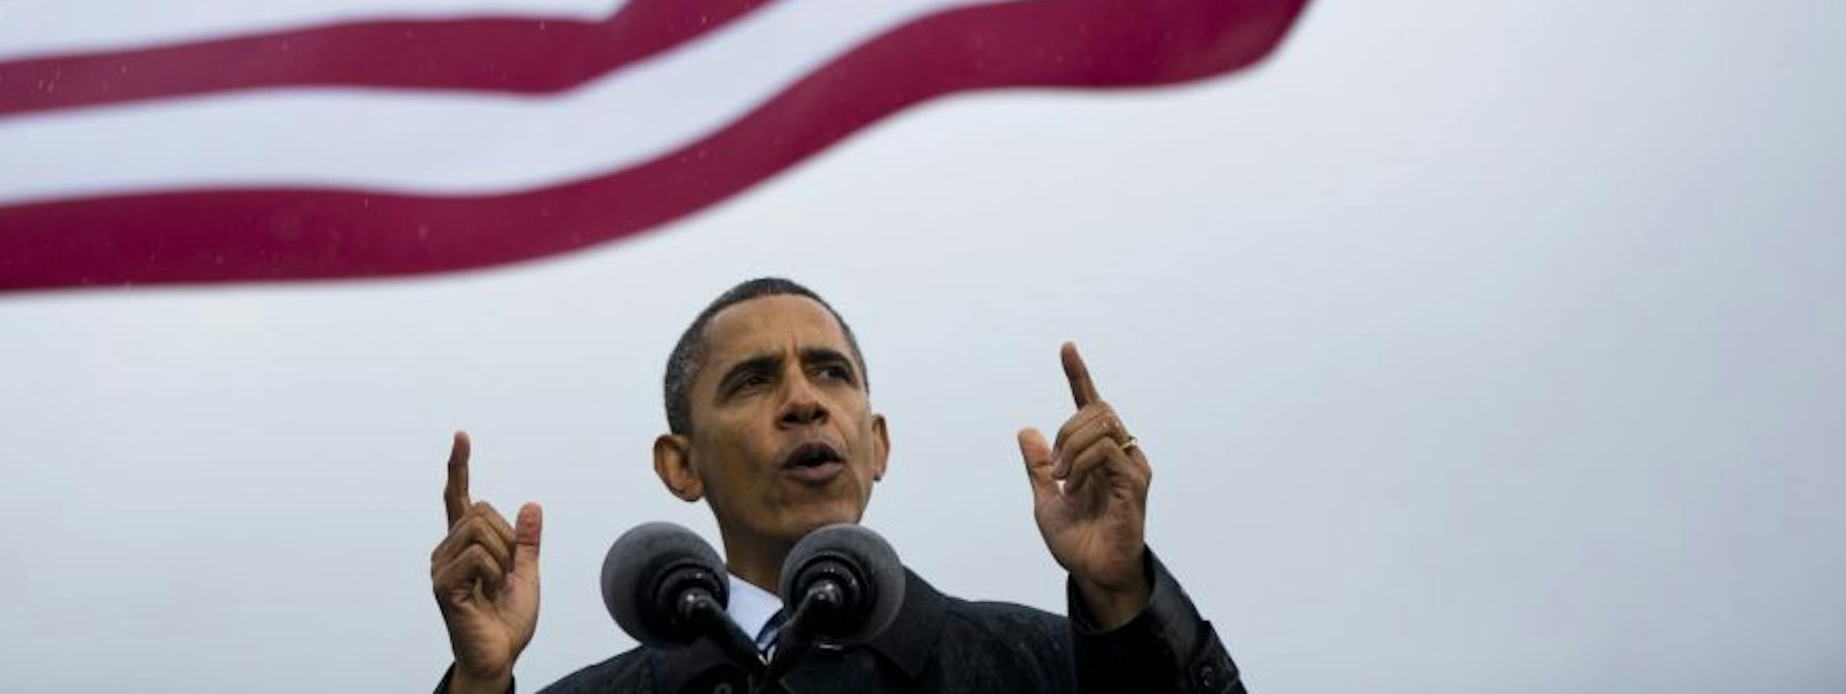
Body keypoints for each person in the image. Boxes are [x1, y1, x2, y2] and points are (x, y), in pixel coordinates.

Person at [429, 277, 1244, 692]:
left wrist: (1123, 599)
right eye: (752, 380)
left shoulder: (1036, 666)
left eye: (830, 372)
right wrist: (479, 683)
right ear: (681, 465)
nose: (804, 400)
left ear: (876, 442)